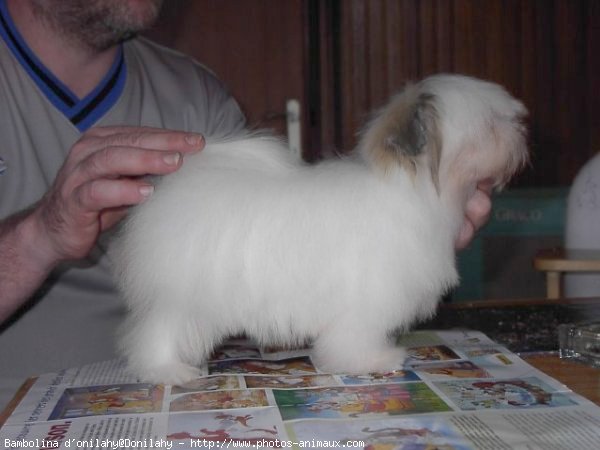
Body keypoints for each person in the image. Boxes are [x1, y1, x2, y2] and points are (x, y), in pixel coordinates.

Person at [0, 0, 491, 409]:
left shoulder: (195, 94)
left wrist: (409, 237)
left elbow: (264, 273)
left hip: (172, 393)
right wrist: (38, 236)